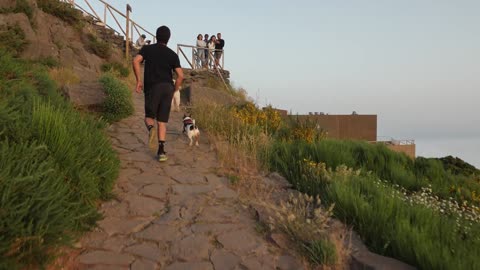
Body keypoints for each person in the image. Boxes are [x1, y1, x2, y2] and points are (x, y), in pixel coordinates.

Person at [132, 26, 184, 162]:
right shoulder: (173, 55)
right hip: (167, 87)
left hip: (153, 87)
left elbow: (136, 61)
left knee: (149, 117)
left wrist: (138, 81)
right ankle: (161, 151)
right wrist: (175, 90)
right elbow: (180, 76)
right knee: (162, 121)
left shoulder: (148, 49)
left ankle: (151, 129)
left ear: (156, 36)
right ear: (168, 38)